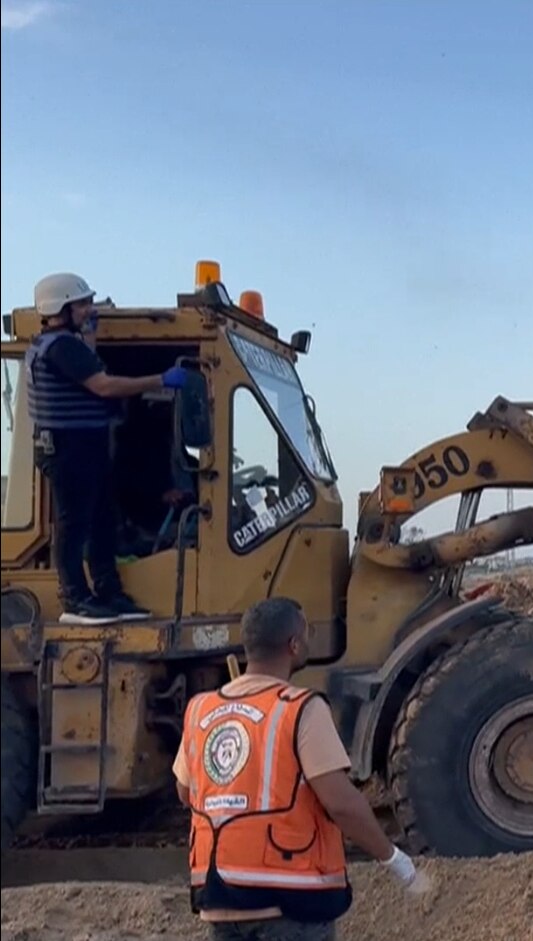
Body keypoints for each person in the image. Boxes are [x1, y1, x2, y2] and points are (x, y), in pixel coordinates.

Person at [174, 597, 432, 940]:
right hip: (288, 899)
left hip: (219, 894)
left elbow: (187, 792)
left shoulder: (201, 710)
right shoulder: (300, 709)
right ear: (294, 645)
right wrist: (396, 861)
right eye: (306, 633)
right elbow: (340, 803)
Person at [25, 272, 190, 624]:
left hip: (85, 447)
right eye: (81, 304)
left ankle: (108, 591)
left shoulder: (64, 345)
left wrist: (90, 334)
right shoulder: (61, 347)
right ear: (61, 307)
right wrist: (160, 380)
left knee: (101, 521)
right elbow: (102, 385)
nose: (87, 309)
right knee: (74, 525)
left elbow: (89, 362)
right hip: (71, 449)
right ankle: (76, 599)